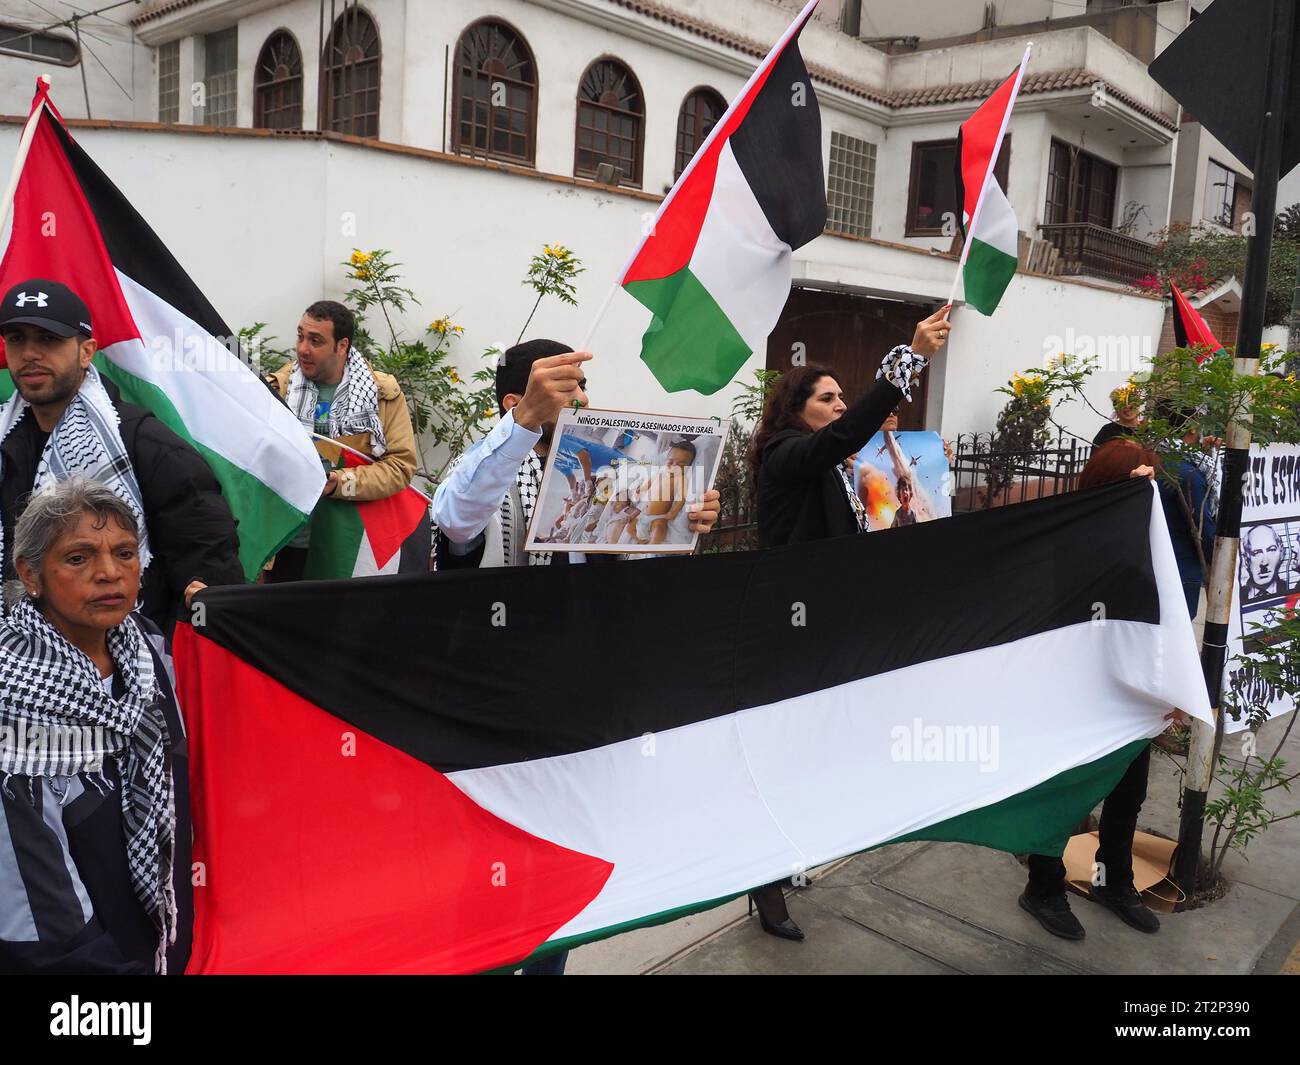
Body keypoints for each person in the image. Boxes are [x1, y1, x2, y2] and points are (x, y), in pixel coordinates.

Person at [431, 339, 721, 974]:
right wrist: (524, 427)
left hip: (583, 704)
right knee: (488, 878)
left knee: (562, 878)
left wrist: (684, 526)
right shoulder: (490, 467)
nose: (584, 399)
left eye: (582, 387)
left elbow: (642, 566)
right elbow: (454, 519)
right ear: (518, 402)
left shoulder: (615, 470)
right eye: (566, 389)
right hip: (496, 709)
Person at [749, 305, 953, 940]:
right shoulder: (786, 454)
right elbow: (837, 442)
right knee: (781, 755)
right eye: (828, 397)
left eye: (843, 398)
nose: (840, 407)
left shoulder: (834, 467)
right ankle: (764, 882)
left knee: (817, 749)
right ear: (795, 408)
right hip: (789, 631)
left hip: (829, 626)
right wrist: (908, 360)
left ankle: (789, 856)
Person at [0, 477, 189, 973]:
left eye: (125, 553)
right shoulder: (13, 696)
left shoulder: (145, 652)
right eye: (79, 558)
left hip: (161, 932)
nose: (109, 574)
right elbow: (34, 897)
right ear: (31, 573)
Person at [0, 279, 243, 630]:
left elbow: (206, 565)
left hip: (131, 655)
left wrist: (168, 655)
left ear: (87, 352)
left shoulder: (146, 444)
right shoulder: (6, 442)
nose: (30, 354)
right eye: (17, 338)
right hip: (18, 654)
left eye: (49, 339)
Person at [1018, 438, 1181, 941]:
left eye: (1151, 480)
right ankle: (1043, 886)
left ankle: (1114, 882)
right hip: (1079, 689)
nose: (1147, 490)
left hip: (1131, 688)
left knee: (1128, 792)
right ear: (1109, 486)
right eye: (1137, 479)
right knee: (1066, 793)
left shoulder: (1149, 534)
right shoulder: (1074, 535)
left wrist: (1168, 689)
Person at [263, 300, 418, 582]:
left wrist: (340, 482)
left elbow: (400, 466)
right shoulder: (278, 388)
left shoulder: (381, 393)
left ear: (342, 345)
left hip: (343, 549)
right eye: (300, 336)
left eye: (316, 341)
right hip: (280, 545)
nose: (302, 349)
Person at [1241, 524, 1285, 602]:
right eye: (1256, 553)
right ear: (1245, 559)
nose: (1264, 563)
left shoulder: (1289, 587)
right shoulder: (1236, 596)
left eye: (1271, 550)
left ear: (1281, 553)